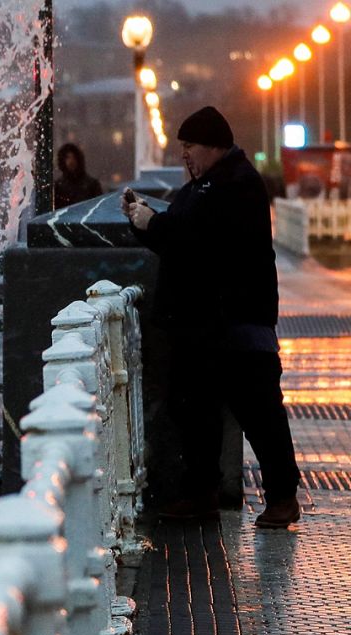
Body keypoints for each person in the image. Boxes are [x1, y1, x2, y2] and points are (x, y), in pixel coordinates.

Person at [122, 106, 301, 528]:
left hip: (237, 321)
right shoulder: (205, 185)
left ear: (214, 146)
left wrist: (153, 224)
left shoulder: (236, 184)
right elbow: (179, 235)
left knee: (259, 412)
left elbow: (198, 240)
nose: (184, 154)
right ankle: (201, 492)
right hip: (202, 325)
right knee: (194, 411)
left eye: (190, 145)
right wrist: (143, 221)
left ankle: (282, 498)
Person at [53, 143, 104, 208]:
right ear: (63, 160)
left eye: (74, 157)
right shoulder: (58, 187)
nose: (71, 161)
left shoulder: (92, 184)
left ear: (78, 160)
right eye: (68, 157)